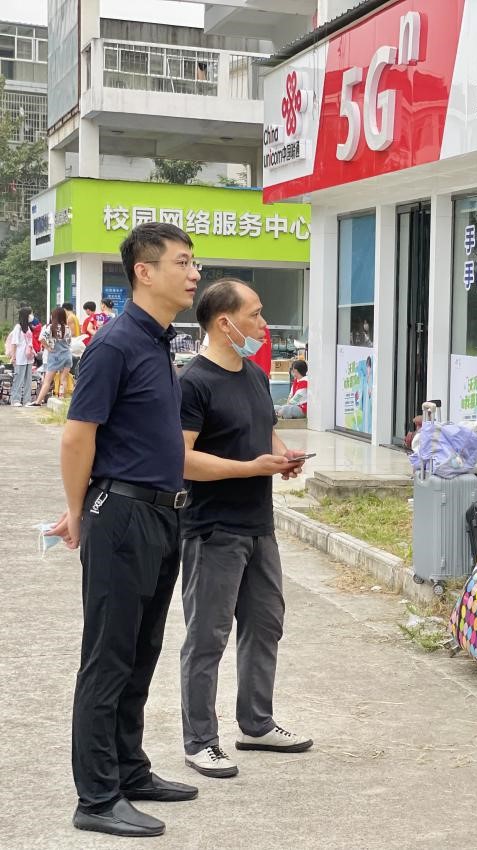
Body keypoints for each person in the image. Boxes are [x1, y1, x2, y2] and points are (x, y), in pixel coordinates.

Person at [46, 222, 202, 837]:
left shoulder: (157, 340)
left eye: (194, 262)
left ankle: (130, 770)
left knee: (141, 651)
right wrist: (78, 509)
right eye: (182, 262)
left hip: (162, 514)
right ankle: (96, 797)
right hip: (123, 516)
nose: (194, 273)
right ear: (145, 270)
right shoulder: (114, 344)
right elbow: (77, 436)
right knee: (108, 658)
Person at [179, 278, 312, 780]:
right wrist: (250, 468)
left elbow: (264, 431)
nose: (263, 324)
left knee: (265, 623)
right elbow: (181, 459)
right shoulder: (192, 383)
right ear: (224, 323)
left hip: (259, 524)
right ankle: (199, 741)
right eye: (254, 314)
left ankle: (256, 723)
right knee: (207, 637)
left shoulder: (254, 375)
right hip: (213, 528)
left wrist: (282, 457)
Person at [32, 306, 74, 405]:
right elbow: (69, 342)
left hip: (55, 356)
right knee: (63, 379)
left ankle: (38, 401)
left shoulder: (51, 327)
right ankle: (61, 398)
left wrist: (47, 347)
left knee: (47, 381)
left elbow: (41, 338)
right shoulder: (67, 328)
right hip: (67, 355)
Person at [5, 307, 36, 406]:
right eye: (30, 314)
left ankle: (27, 400)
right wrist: (13, 356)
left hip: (28, 357)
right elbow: (14, 343)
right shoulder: (18, 328)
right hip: (20, 357)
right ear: (26, 315)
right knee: (18, 379)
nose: (31, 316)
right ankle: (16, 400)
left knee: (28, 380)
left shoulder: (29, 328)